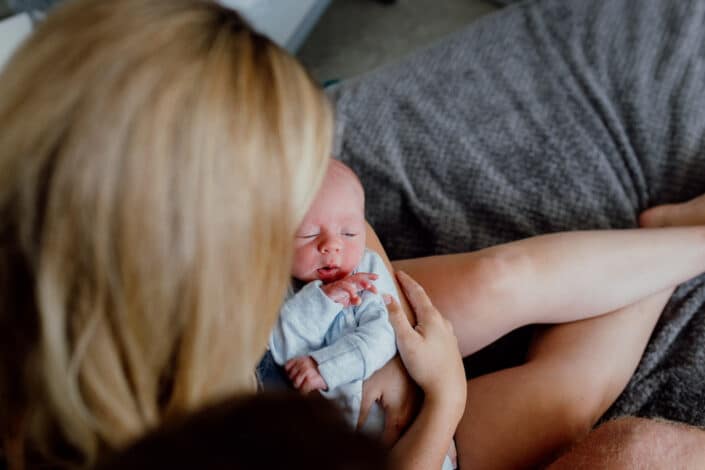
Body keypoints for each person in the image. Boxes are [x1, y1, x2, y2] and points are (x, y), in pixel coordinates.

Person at [0, 1, 703, 470]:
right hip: (399, 444)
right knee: (571, 394)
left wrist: (388, 333)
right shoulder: (191, 441)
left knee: (501, 281)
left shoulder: (93, 242)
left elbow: (341, 213)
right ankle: (672, 253)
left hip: (338, 330)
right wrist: (444, 400)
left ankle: (681, 238)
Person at [0, 1, 463, 469]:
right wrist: (447, 400)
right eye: (280, 205)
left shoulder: (65, 245)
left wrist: (394, 353)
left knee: (517, 291)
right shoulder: (196, 428)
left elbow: (352, 227)